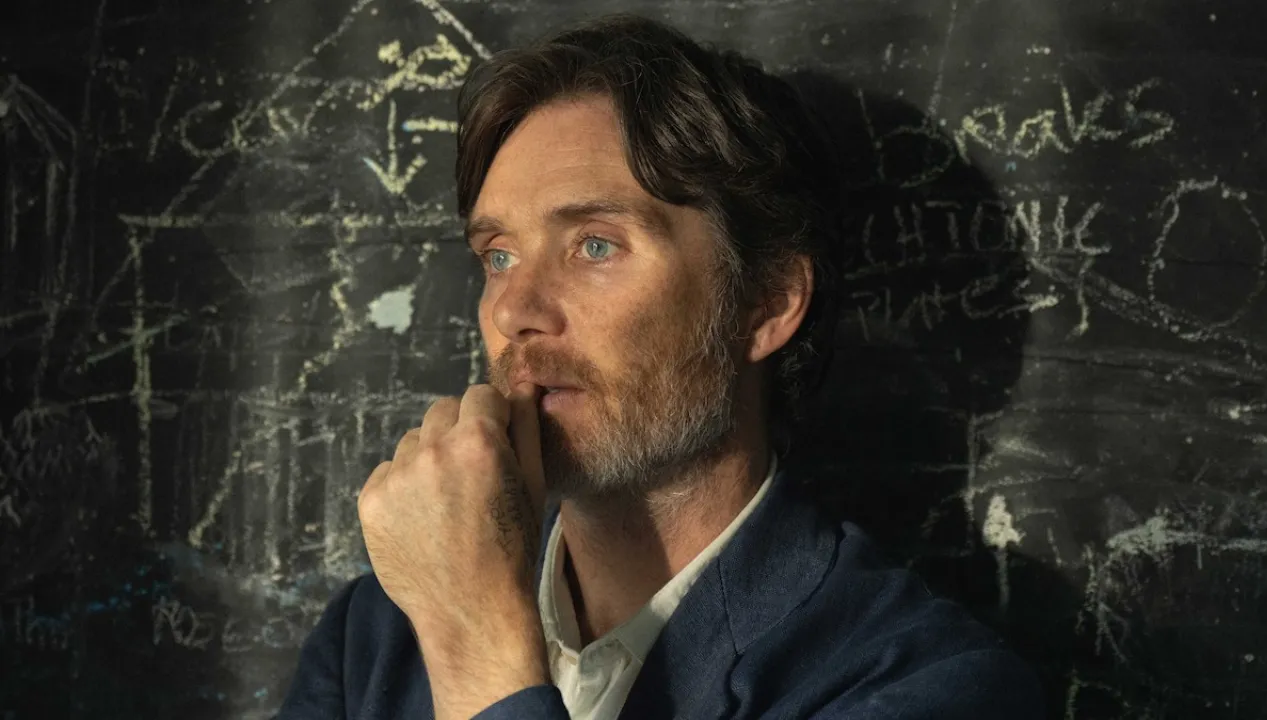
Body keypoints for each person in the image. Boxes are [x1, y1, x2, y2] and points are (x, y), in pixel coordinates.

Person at [277, 13, 1045, 720]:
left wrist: (478, 650)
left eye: (595, 245)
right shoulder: (371, 641)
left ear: (767, 304)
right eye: (499, 255)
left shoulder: (927, 686)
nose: (514, 310)